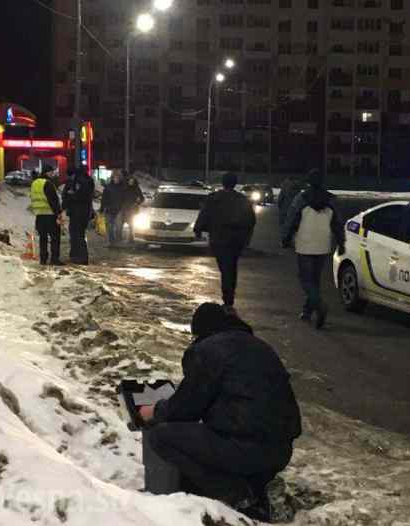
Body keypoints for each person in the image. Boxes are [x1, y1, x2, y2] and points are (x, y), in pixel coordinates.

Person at [139, 303, 302, 521]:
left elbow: (184, 411)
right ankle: (256, 487)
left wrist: (154, 411)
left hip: (245, 449)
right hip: (281, 452)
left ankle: (238, 494)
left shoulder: (208, 350)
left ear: (200, 331)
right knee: (217, 433)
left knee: (162, 437)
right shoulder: (259, 346)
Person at [282, 169, 345, 329]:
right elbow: (337, 224)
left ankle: (319, 305)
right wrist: (341, 243)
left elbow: (291, 218)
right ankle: (307, 311)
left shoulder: (301, 199)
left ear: (308, 181)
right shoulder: (331, 200)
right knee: (315, 279)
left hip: (304, 243)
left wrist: (286, 237)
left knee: (305, 279)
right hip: (323, 245)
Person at [194, 172, 256, 313]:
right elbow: (251, 221)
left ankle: (228, 299)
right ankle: (229, 298)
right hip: (236, 241)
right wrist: (246, 239)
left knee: (225, 269)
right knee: (231, 267)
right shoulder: (242, 200)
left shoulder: (214, 198)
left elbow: (204, 214)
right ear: (235, 183)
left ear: (223, 183)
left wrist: (198, 230)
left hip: (219, 239)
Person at [30, 169, 64, 266]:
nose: (53, 174)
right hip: (50, 215)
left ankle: (43, 259)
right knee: (55, 237)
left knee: (43, 238)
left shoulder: (34, 183)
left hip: (39, 215)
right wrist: (58, 213)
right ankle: (54, 259)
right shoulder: (48, 183)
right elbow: (53, 200)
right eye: (51, 172)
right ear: (47, 173)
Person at [62, 167, 94, 265]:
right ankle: (77, 256)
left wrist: (70, 197)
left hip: (77, 212)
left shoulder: (78, 181)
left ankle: (80, 257)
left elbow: (73, 195)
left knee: (77, 234)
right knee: (78, 234)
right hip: (84, 212)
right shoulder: (89, 181)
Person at [99, 171, 126, 247]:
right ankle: (112, 242)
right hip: (109, 209)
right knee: (110, 227)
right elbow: (104, 198)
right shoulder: (108, 187)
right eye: (115, 177)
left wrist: (123, 208)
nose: (116, 179)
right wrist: (102, 208)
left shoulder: (122, 187)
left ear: (120, 178)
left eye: (117, 178)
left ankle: (118, 241)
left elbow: (124, 199)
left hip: (119, 209)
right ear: (112, 178)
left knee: (118, 227)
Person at [121, 173, 145, 245]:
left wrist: (138, 202)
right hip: (125, 209)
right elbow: (121, 197)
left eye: (132, 181)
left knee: (132, 225)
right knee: (122, 224)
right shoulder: (125, 188)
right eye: (130, 181)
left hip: (133, 209)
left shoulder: (137, 188)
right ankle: (120, 238)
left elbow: (142, 198)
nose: (131, 182)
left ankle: (131, 238)